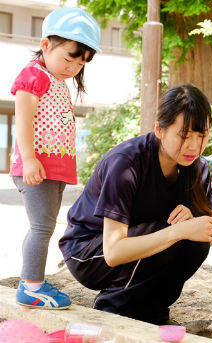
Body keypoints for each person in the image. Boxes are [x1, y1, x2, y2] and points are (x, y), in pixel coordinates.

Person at [59, 85, 212, 324]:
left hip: (140, 240)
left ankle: (153, 308)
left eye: (202, 135)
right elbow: (113, 253)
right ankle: (113, 307)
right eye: (184, 136)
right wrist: (179, 230)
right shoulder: (125, 163)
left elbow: (211, 225)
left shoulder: (198, 167)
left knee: (197, 241)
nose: (194, 146)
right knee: (170, 232)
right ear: (159, 129)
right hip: (89, 250)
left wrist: (192, 214)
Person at [10, 7, 101, 309]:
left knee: (45, 226)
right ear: (46, 44)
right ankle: (31, 285)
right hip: (37, 166)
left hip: (54, 167)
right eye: (69, 57)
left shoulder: (56, 79)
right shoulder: (33, 76)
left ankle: (34, 279)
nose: (74, 66)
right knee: (41, 227)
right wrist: (29, 158)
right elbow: (23, 118)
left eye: (82, 62)